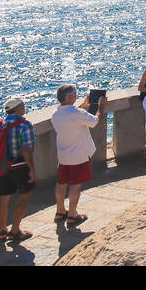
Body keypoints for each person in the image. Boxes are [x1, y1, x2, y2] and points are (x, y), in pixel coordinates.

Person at [50, 85, 98, 226]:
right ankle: (72, 215)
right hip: (78, 155)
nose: (76, 96)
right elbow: (94, 121)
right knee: (76, 185)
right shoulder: (76, 113)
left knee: (61, 183)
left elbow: (74, 113)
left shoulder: (56, 113)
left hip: (63, 155)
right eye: (75, 95)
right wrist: (100, 107)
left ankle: (60, 211)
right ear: (70, 97)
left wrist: (84, 104)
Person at [0, 97, 36, 244]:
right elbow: (26, 149)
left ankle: (2, 230)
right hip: (20, 166)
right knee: (24, 197)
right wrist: (31, 169)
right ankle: (15, 230)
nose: (24, 107)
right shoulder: (24, 125)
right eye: (23, 105)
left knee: (3, 198)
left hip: (3, 167)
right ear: (18, 108)